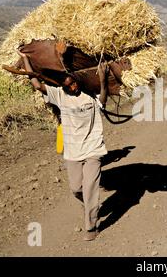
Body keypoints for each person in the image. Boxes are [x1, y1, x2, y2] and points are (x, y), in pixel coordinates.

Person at [17, 49, 109, 241]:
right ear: (63, 87)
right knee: (76, 188)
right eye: (69, 85)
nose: (73, 87)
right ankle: (89, 207)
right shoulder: (58, 95)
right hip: (73, 151)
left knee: (91, 186)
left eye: (74, 82)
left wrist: (102, 80)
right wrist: (26, 59)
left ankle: (91, 226)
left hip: (93, 149)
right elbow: (36, 83)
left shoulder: (89, 95)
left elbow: (103, 100)